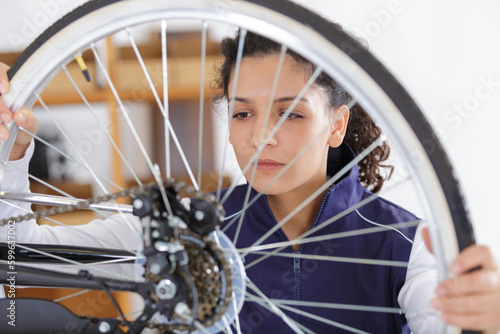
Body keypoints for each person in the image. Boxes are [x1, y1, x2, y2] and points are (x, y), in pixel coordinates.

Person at [0, 30, 499, 333]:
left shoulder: (406, 245)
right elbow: (17, 255)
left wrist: (484, 316)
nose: (261, 137)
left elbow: (448, 325)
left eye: (291, 115)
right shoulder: (190, 226)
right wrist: (11, 156)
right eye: (242, 114)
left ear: (338, 125)